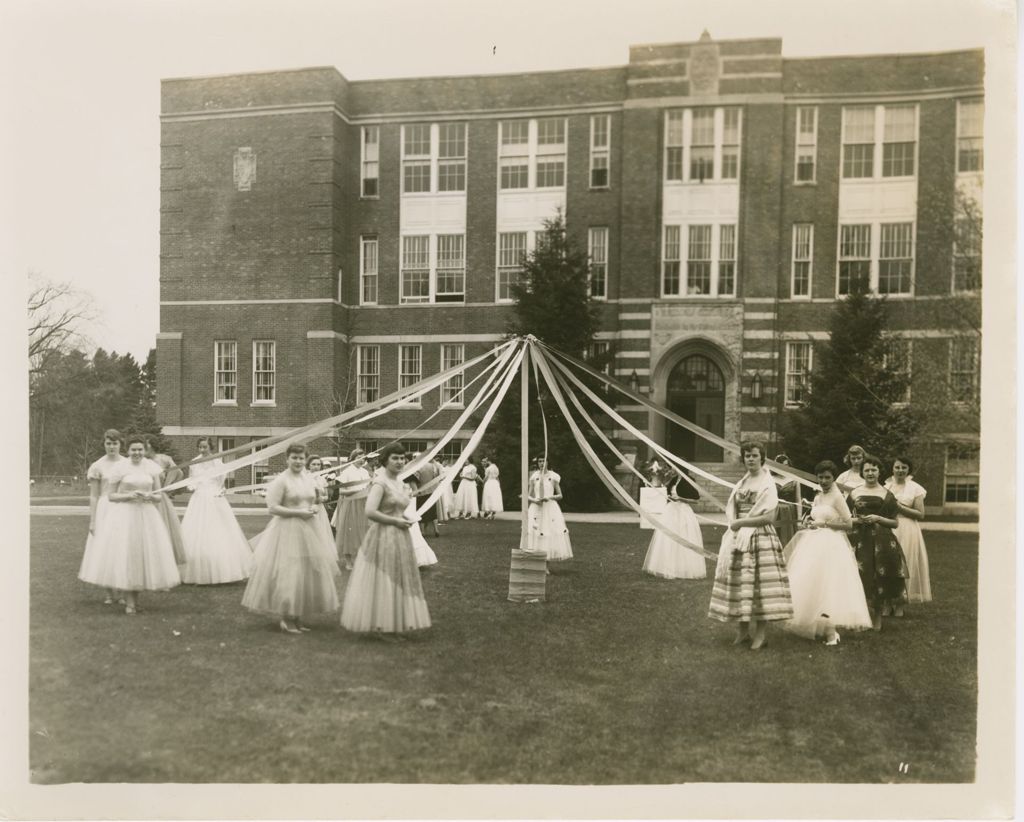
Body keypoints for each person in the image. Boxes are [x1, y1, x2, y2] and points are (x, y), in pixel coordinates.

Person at [242, 444, 341, 634]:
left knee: (305, 571)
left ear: (305, 460)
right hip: (287, 530)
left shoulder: (307, 478)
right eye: (294, 458)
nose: (298, 461)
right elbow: (272, 507)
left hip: (309, 528)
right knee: (291, 571)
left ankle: (297, 616)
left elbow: (313, 499)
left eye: (301, 458)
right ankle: (287, 618)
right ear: (287, 459)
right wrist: (298, 512)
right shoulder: (281, 481)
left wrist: (312, 507)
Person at [79, 435, 181, 614]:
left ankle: (135, 600)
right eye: (133, 450)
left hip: (146, 516)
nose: (137, 453)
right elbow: (111, 496)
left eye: (140, 449)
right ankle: (129, 603)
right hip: (124, 516)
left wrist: (150, 496)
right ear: (128, 450)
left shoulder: (151, 468)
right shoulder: (120, 468)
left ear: (144, 450)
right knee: (127, 555)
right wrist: (129, 496)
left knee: (142, 556)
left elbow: (159, 495)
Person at [708, 441, 793, 650]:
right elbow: (734, 510)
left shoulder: (767, 483)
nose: (751, 459)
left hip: (759, 538)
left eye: (755, 455)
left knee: (759, 586)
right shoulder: (742, 483)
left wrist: (742, 523)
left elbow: (769, 517)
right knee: (741, 584)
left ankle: (761, 634)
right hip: (740, 538)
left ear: (762, 458)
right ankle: (743, 631)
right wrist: (736, 525)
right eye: (747, 456)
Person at [340, 443, 432, 637]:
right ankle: (381, 625)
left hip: (401, 535)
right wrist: (395, 521)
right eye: (395, 458)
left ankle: (395, 622)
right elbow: (370, 511)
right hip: (383, 535)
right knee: (384, 578)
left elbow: (398, 508)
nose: (400, 462)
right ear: (385, 460)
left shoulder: (401, 484)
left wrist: (404, 518)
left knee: (399, 577)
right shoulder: (380, 483)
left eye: (402, 458)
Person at [782, 460, 872, 645]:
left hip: (832, 544)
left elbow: (848, 524)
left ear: (833, 478)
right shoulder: (818, 496)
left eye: (827, 478)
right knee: (812, 583)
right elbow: (816, 516)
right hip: (814, 542)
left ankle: (832, 631)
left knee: (830, 585)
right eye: (820, 477)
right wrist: (810, 523)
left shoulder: (837, 497)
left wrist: (824, 524)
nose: (823, 481)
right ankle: (818, 625)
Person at [179, 437, 254, 584]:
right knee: (197, 530)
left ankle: (224, 569)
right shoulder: (195, 462)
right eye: (200, 447)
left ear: (210, 447)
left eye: (205, 447)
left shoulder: (218, 462)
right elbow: (191, 480)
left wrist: (219, 490)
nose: (202, 450)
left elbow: (221, 481)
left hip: (214, 497)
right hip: (199, 498)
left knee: (218, 529)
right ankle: (196, 570)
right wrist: (193, 487)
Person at [848, 453, 909, 631]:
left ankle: (877, 618)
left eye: (874, 470)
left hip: (882, 541)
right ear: (862, 472)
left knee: (879, 578)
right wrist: (858, 521)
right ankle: (861, 617)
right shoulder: (854, 493)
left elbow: (895, 523)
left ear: (879, 472)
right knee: (860, 576)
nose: (870, 473)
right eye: (867, 470)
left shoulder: (887, 494)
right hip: (860, 540)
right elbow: (846, 518)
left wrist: (877, 517)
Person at [78, 429, 127, 605]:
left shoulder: (127, 464)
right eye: (108, 443)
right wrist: (93, 520)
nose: (112, 447)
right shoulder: (97, 466)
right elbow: (94, 495)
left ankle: (122, 591)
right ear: (104, 444)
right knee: (105, 549)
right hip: (105, 509)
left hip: (123, 507)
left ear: (121, 444)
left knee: (122, 549)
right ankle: (109, 593)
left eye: (115, 443)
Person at [885, 456, 932, 607]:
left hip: (908, 528)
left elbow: (920, 514)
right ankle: (887, 601)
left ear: (908, 470)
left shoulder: (915, 488)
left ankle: (900, 602)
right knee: (888, 562)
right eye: (897, 467)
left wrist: (899, 507)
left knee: (904, 564)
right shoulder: (885, 487)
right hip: (888, 526)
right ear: (892, 468)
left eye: (904, 467)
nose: (900, 470)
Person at [641, 469, 705, 579]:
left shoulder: (690, 480)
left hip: (683, 511)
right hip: (671, 510)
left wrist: (681, 498)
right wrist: (670, 497)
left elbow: (696, 500)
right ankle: (668, 566)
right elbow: (669, 493)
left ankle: (684, 567)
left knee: (684, 536)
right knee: (668, 538)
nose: (673, 469)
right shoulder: (674, 480)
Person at [143, 437, 187, 566]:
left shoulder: (164, 459)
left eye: (145, 446)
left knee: (163, 527)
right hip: (145, 497)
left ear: (150, 446)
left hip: (160, 499)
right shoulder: (142, 461)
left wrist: (168, 488)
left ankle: (164, 559)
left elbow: (178, 472)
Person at [523, 456, 572, 562]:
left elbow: (560, 495)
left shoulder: (553, 476)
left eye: (543, 461)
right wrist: (535, 500)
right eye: (539, 461)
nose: (541, 463)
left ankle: (547, 562)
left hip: (549, 508)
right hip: (536, 507)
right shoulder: (534, 476)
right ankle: (536, 561)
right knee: (535, 532)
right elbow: (528, 494)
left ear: (548, 462)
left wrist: (549, 497)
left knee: (548, 531)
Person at [333, 448, 371, 570]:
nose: (361, 460)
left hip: (363, 504)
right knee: (349, 532)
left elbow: (368, 486)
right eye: (358, 458)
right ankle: (348, 561)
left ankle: (359, 559)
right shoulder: (347, 472)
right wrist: (359, 491)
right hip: (350, 504)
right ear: (352, 458)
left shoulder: (365, 472)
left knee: (363, 531)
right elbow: (341, 491)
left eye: (363, 458)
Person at [306, 455, 338, 556]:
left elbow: (327, 496)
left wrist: (321, 499)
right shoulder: (305, 479)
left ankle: (319, 556)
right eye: (313, 464)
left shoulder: (322, 480)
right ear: (309, 466)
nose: (316, 467)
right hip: (308, 509)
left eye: (318, 464)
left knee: (321, 533)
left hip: (320, 509)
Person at [773, 454, 800, 546]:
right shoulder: (771, 479)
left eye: (786, 465)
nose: (783, 468)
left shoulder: (794, 479)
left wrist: (799, 518)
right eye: (780, 466)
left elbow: (798, 500)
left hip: (790, 512)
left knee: (789, 538)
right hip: (775, 511)